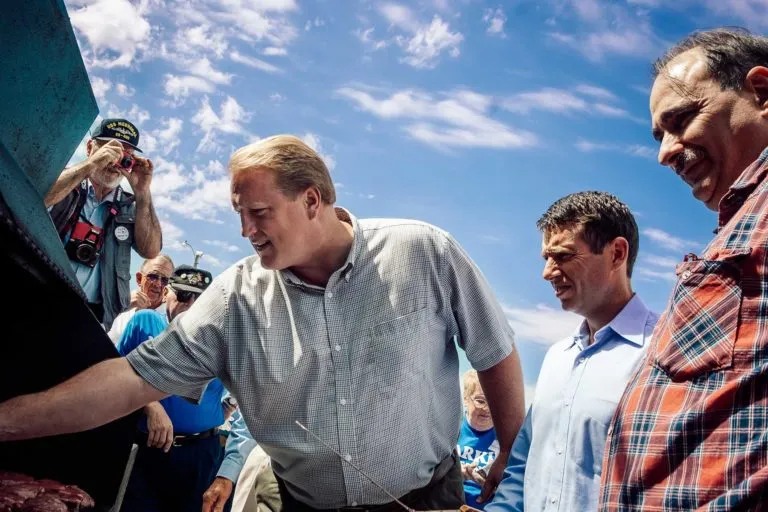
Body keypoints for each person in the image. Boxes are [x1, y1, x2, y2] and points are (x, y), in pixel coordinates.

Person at [0, 135, 525, 510]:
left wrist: (507, 450)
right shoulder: (234, 298)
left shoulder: (424, 251)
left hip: (428, 498)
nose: (246, 229)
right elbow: (130, 381)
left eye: (259, 212)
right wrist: (7, 421)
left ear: (312, 200)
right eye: (238, 214)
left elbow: (494, 352)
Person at [599, 28, 768, 510]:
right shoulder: (742, 223)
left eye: (682, 120)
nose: (665, 152)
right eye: (660, 134)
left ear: (761, 93)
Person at [485, 191, 659, 512]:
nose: (547, 272)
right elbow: (524, 465)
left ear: (617, 254)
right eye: (546, 258)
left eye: (562, 256)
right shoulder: (556, 358)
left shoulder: (664, 355)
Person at [116, 264, 232, 512]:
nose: (190, 304)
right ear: (167, 292)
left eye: (199, 298)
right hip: (147, 448)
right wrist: (151, 404)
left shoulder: (220, 338)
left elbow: (245, 386)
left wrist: (228, 406)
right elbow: (117, 373)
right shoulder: (143, 322)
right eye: (183, 295)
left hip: (200, 454)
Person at [46, 118, 162, 330]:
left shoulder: (129, 206)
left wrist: (143, 192)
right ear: (90, 147)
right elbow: (41, 198)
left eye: (124, 155)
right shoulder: (66, 182)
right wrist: (90, 165)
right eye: (111, 149)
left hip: (90, 316)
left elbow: (151, 250)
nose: (115, 161)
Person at [107, 254, 175, 344]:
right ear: (139, 278)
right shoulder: (118, 305)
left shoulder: (170, 319)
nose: (158, 284)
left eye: (164, 280)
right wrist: (121, 305)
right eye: (153, 276)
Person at [458, 369, 499, 510]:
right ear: (465, 398)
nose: (487, 409)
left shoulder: (506, 437)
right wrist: (455, 473)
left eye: (493, 401)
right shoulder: (450, 429)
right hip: (449, 501)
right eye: (481, 401)